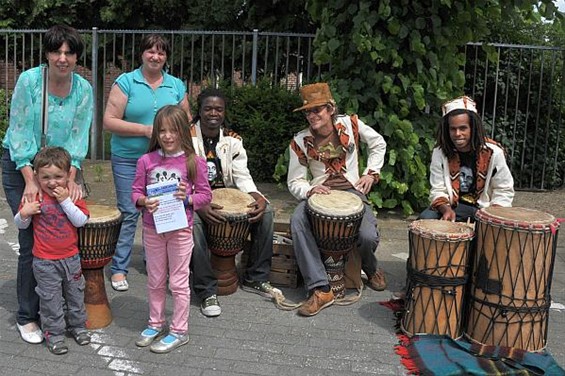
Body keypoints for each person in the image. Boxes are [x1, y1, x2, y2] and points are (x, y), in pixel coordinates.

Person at [1, 24, 93, 344]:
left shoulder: (83, 89)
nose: (63, 58)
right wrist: (31, 181)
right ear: (47, 53)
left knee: (64, 229)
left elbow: (78, 138)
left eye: (69, 52)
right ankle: (28, 315)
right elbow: (19, 132)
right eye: (57, 51)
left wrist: (70, 179)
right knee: (31, 239)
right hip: (21, 164)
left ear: (77, 56)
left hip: (61, 168)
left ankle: (61, 308)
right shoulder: (30, 81)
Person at [287, 82, 387, 317]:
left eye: (317, 110)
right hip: (321, 195)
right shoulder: (300, 141)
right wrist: (310, 190)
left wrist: (371, 173)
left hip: (353, 194)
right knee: (297, 221)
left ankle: (370, 268)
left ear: (331, 109)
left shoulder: (351, 125)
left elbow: (378, 143)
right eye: (308, 112)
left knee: (367, 236)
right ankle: (320, 288)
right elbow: (295, 181)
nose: (312, 116)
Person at [103, 33, 192, 292]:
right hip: (128, 159)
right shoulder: (126, 82)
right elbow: (109, 121)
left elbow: (185, 120)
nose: (155, 56)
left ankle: (155, 262)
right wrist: (145, 131)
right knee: (130, 212)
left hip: (164, 162)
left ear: (166, 57)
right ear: (142, 53)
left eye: (161, 52)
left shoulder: (175, 85)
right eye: (151, 51)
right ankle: (119, 268)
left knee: (161, 211)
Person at [189, 88, 279, 317]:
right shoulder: (185, 137)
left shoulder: (233, 140)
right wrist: (198, 203)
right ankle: (205, 290)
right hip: (193, 197)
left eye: (218, 109)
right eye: (208, 108)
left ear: (224, 112)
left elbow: (241, 175)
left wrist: (258, 196)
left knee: (266, 212)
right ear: (199, 110)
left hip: (227, 196)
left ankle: (256, 277)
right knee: (193, 227)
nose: (213, 113)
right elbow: (180, 175)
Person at [131, 105, 211, 353]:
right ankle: (155, 323)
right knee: (155, 280)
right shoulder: (146, 161)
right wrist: (144, 201)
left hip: (180, 230)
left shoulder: (193, 162)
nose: (166, 136)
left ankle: (179, 330)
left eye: (172, 130)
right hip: (152, 229)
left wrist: (187, 198)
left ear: (182, 132)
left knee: (178, 282)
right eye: (162, 130)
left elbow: (206, 196)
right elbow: (135, 192)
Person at [14, 147, 91, 355]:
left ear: (68, 176)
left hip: (71, 258)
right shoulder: (35, 196)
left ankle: (78, 326)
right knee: (50, 300)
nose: (52, 182)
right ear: (37, 176)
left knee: (75, 295)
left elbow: (81, 221)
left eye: (58, 176)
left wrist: (65, 200)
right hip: (44, 261)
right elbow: (21, 226)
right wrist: (24, 213)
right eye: (45, 177)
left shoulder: (72, 195)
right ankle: (54, 334)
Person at [418, 95, 514, 222]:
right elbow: (437, 189)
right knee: (425, 220)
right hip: (452, 206)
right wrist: (446, 209)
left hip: (483, 209)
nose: (457, 134)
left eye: (463, 128)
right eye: (453, 129)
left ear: (473, 128)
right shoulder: (440, 152)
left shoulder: (494, 153)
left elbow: (504, 190)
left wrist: (492, 217)